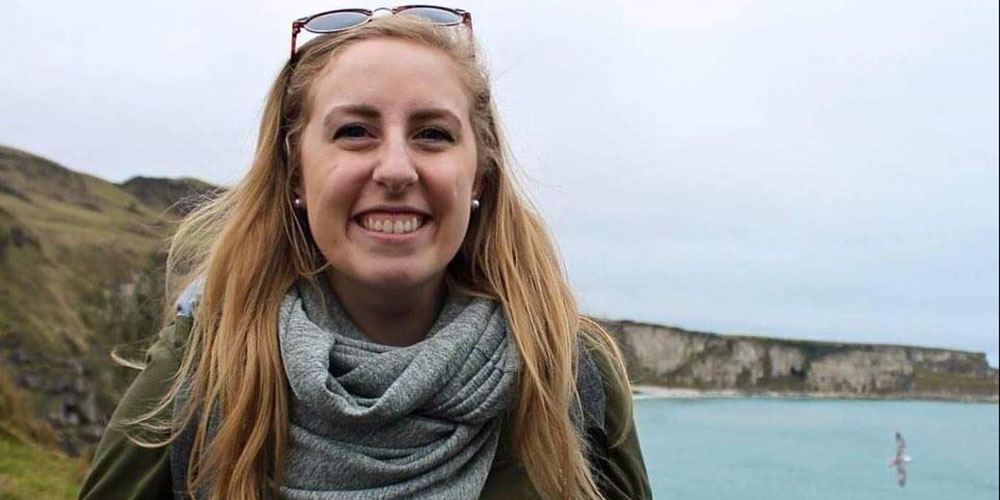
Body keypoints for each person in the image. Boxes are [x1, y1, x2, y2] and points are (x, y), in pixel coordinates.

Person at [79, 7, 650, 500]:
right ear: (294, 172)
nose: (397, 169)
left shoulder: (567, 372)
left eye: (432, 134)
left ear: (480, 173)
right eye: (354, 131)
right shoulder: (203, 367)